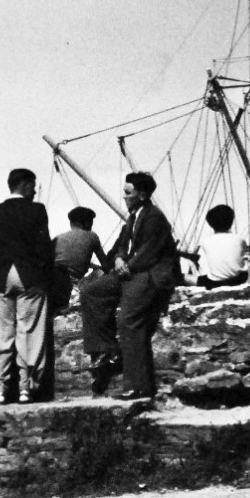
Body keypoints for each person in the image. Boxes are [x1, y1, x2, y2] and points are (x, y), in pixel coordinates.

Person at [78, 171, 182, 402]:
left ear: (142, 195)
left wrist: (128, 266)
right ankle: (106, 349)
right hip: (132, 270)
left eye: (128, 193)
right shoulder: (134, 217)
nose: (124, 197)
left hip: (150, 274)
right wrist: (119, 259)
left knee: (129, 321)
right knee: (92, 292)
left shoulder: (154, 217)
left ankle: (138, 387)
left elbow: (149, 252)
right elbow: (123, 245)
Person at [0, 169, 55, 405]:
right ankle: (25, 389)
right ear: (26, 185)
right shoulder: (36, 210)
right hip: (30, 277)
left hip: (0, 279)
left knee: (1, 335)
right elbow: (44, 248)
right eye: (33, 186)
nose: (35, 190)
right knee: (28, 333)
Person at [193, 205, 248, 289]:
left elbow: (203, 269)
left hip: (213, 283)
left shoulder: (205, 242)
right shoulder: (240, 239)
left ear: (210, 223)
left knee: (183, 277)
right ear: (231, 221)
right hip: (238, 280)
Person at [53, 206, 108, 287]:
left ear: (71, 223)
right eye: (91, 224)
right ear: (86, 223)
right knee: (99, 273)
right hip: (71, 284)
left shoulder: (58, 238)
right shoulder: (92, 236)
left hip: (51, 279)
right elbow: (105, 263)